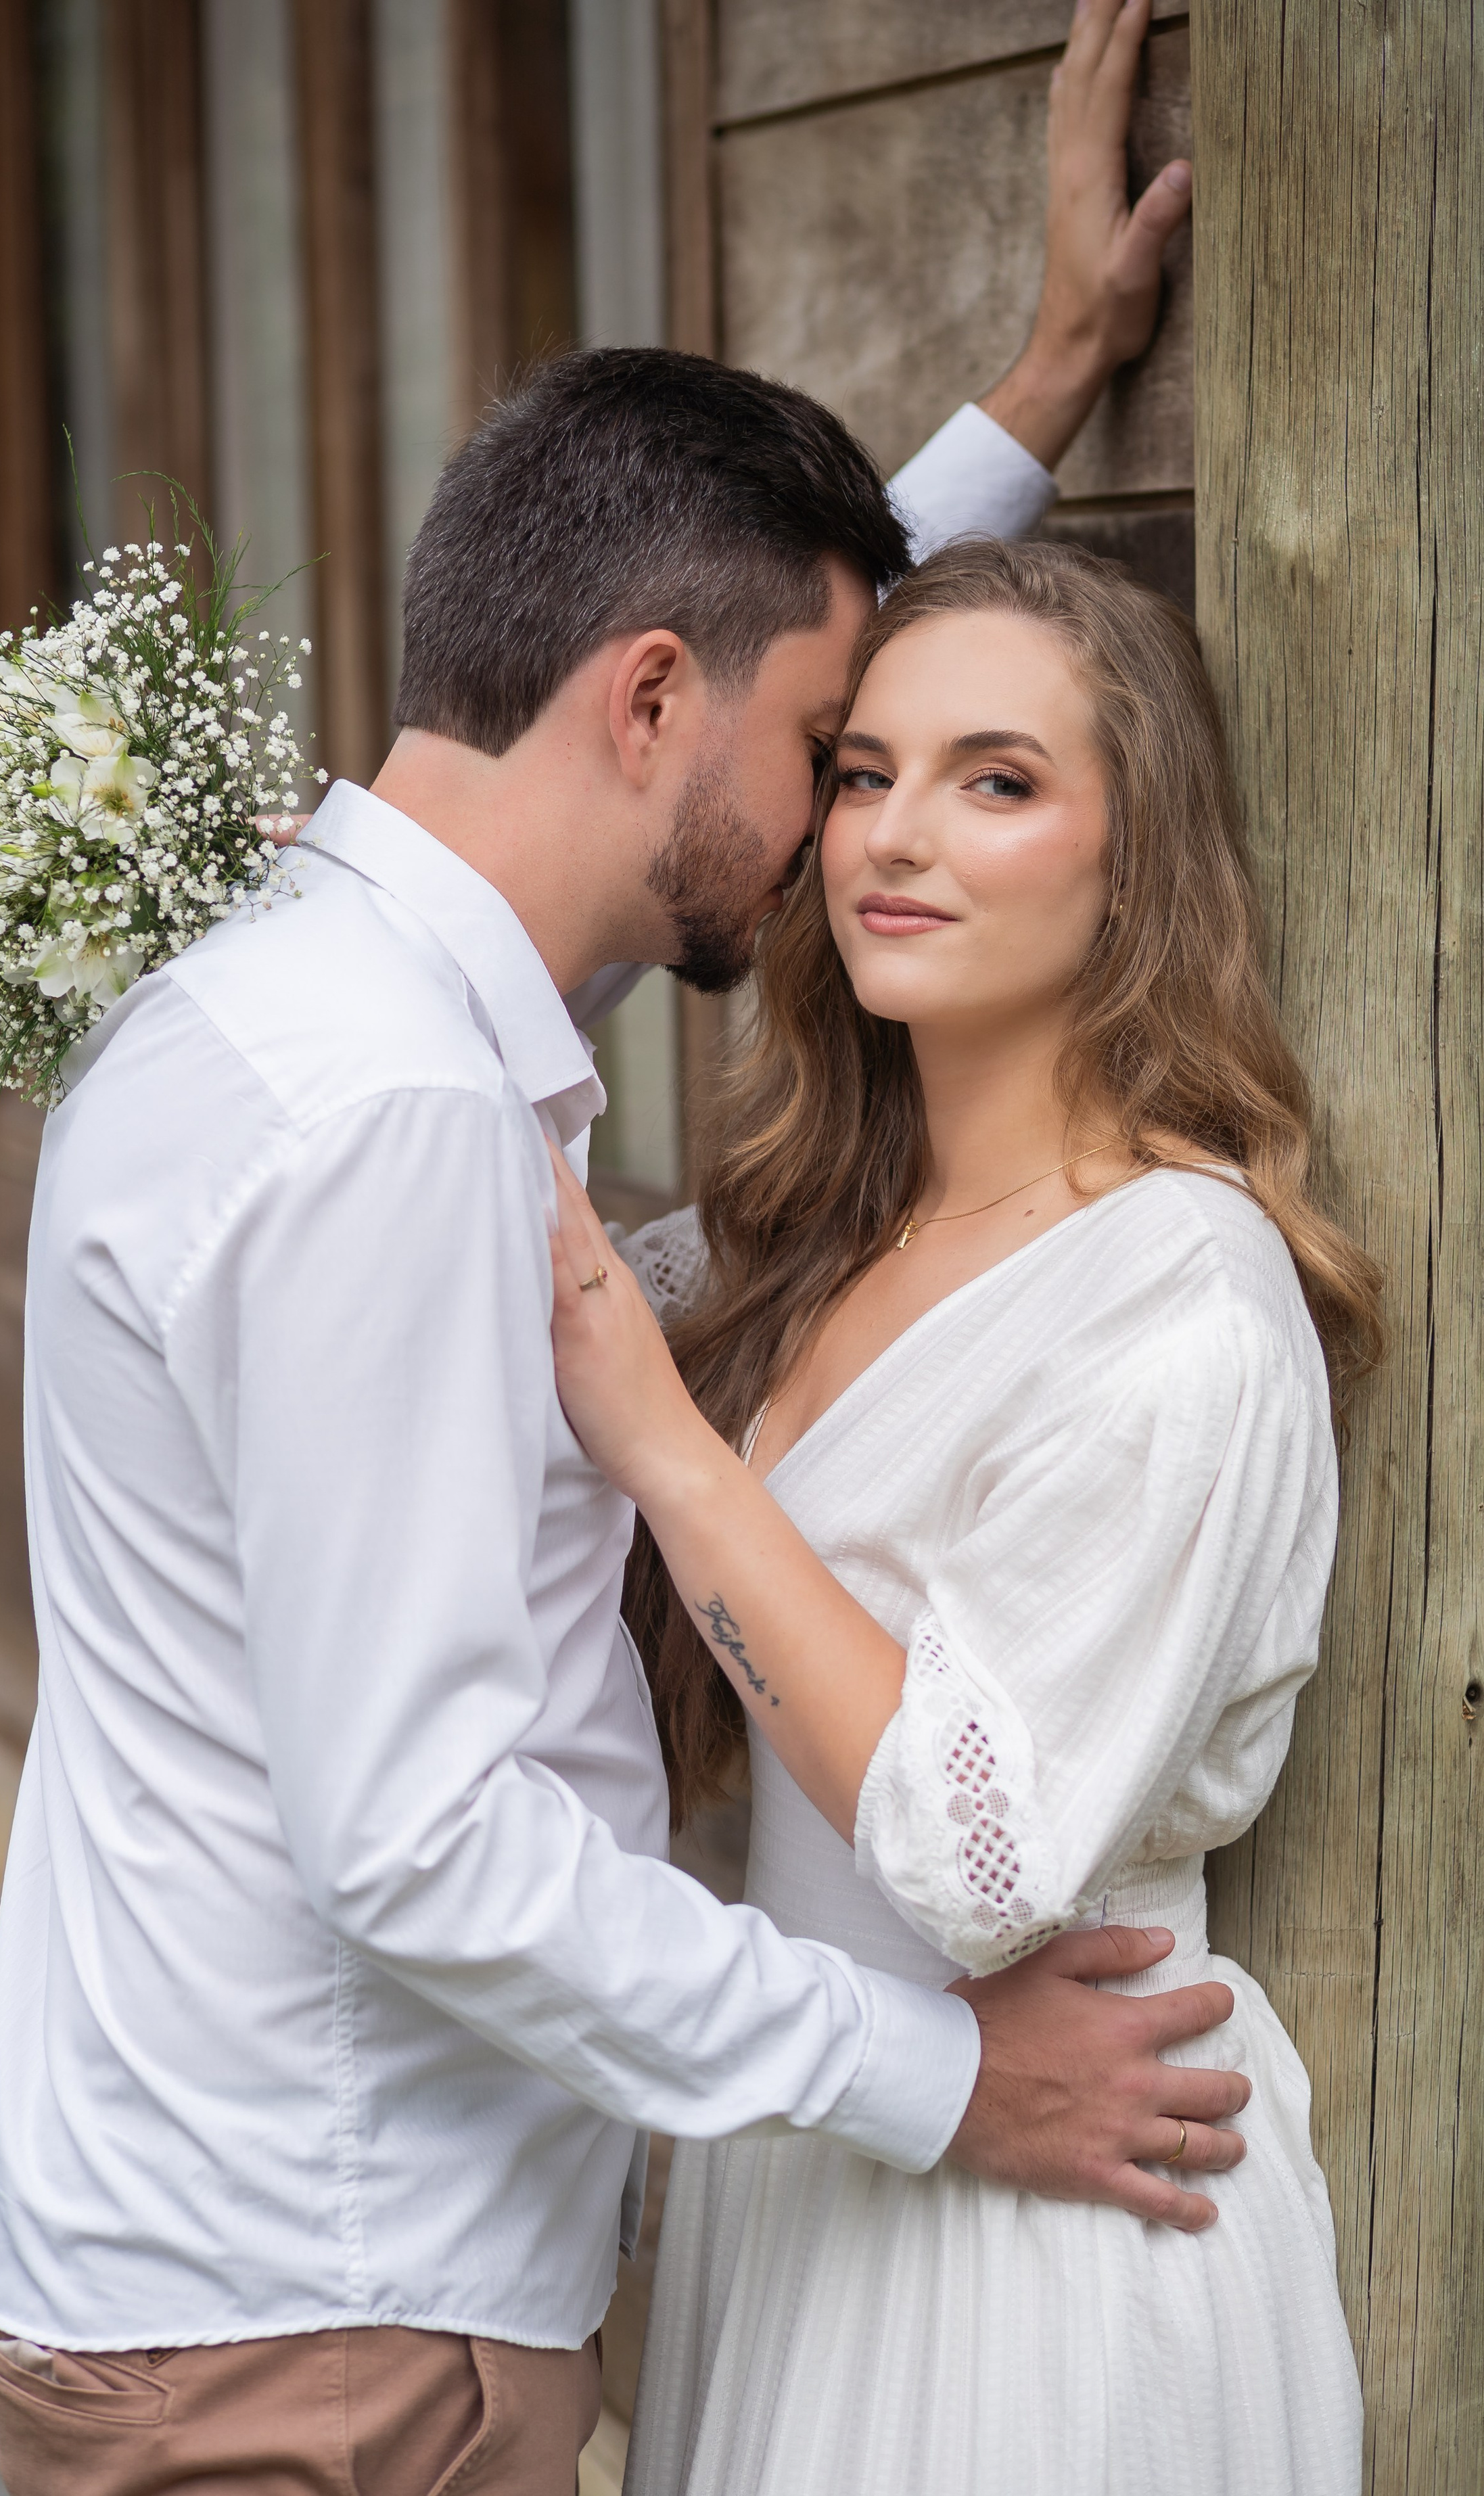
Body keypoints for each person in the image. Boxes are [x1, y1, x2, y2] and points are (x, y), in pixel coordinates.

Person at [0, 0, 1227, 2496]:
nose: (859, 823)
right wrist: (940, 2075)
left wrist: (1046, 382)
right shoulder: (394, 1120)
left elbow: (754, 644)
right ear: (647, 700)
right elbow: (428, 1839)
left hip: (249, 2268)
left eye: (936, 775)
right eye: (836, 759)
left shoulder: (310, 996)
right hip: (325, 2341)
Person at [546, 538, 1381, 2495]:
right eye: (862, 774)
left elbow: (977, 1856)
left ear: (1137, 857)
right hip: (817, 2153)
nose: (896, 837)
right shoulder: (805, 1237)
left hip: (1047, 2216)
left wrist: (677, 1454)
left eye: (997, 780)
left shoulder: (1180, 1304)